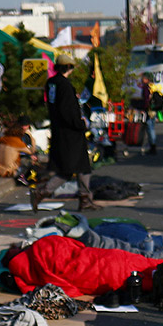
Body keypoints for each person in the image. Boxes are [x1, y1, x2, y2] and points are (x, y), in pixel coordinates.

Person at [32, 54, 99, 212]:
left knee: (79, 167)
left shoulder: (52, 83)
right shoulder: (65, 85)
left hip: (59, 130)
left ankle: (84, 198)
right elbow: (68, 110)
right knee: (71, 168)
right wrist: (81, 123)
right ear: (69, 67)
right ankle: (42, 192)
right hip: (71, 133)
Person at [137, 72, 159, 155]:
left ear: (146, 79)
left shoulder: (146, 88)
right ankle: (152, 146)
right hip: (154, 109)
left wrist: (144, 108)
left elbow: (146, 100)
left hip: (149, 110)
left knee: (150, 128)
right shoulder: (153, 86)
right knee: (152, 127)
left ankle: (153, 146)